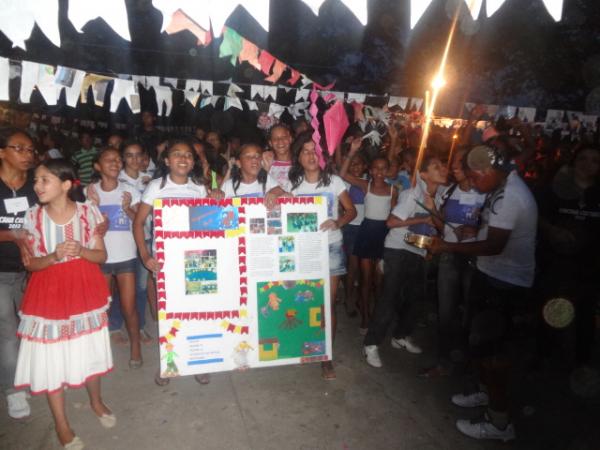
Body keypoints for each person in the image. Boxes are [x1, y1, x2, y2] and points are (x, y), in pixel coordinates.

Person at [428, 142, 538, 442]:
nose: (473, 182)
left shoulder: (510, 196)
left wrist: (449, 245)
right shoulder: (500, 188)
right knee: (483, 347)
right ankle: (484, 393)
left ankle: (499, 423)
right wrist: (474, 232)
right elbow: (491, 235)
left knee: (495, 356)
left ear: (489, 170)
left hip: (504, 285)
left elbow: (495, 245)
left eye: (476, 176)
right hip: (490, 276)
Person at [14, 159, 113, 449]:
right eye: (36, 180)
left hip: (84, 289)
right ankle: (61, 423)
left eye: (44, 180)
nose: (37, 186)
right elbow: (32, 265)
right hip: (49, 293)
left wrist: (81, 250)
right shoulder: (33, 217)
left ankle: (96, 401)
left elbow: (101, 256)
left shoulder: (87, 213)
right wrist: (55, 256)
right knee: (52, 358)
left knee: (89, 348)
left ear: (66, 184)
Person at [133, 137, 208, 386]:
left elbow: (210, 220)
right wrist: (145, 255)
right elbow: (139, 222)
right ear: (166, 160)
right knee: (171, 316)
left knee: (196, 313)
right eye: (177, 154)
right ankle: (169, 364)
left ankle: (197, 361)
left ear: (193, 161)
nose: (183, 158)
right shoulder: (156, 186)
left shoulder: (199, 187)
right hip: (166, 262)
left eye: (188, 155)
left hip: (197, 260)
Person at [363, 153, 448, 368]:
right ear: (424, 175)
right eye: (436, 166)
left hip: (419, 251)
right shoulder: (412, 195)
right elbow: (391, 222)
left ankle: (400, 336)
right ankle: (371, 344)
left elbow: (442, 227)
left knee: (415, 298)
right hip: (398, 249)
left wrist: (434, 210)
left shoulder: (440, 196)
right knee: (389, 298)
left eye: (442, 165)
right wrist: (423, 217)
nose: (443, 169)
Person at [289, 132, 357, 380]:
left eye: (314, 150)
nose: (310, 155)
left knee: (327, 304)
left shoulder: (335, 182)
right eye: (305, 151)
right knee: (304, 302)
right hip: (303, 250)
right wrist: (276, 193)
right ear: (298, 156)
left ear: (322, 156)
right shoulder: (292, 185)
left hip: (330, 248)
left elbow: (351, 211)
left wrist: (337, 222)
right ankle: (306, 348)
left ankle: (326, 356)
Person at [420, 147, 486, 378]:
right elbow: (441, 226)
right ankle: (443, 361)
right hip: (448, 256)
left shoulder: (485, 193)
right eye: (454, 162)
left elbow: (497, 230)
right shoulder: (448, 192)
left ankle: (470, 368)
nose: (454, 167)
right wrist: (435, 214)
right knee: (445, 312)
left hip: (475, 260)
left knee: (472, 315)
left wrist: (477, 228)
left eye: (460, 163)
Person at [536, 147, 600, 369]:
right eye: (582, 158)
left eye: (594, 160)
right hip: (557, 261)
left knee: (585, 312)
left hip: (588, 265)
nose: (587, 164)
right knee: (553, 307)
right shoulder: (557, 189)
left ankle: (581, 361)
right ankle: (544, 353)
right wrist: (552, 230)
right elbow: (540, 215)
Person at [87, 147, 143, 368]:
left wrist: (128, 208)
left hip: (126, 257)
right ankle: (101, 352)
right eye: (108, 160)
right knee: (102, 308)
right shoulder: (89, 191)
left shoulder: (129, 190)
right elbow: (84, 225)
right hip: (100, 259)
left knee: (129, 308)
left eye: (118, 159)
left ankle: (136, 347)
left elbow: (141, 221)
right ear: (97, 166)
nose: (115, 162)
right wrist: (93, 206)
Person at [341, 138, 397, 333]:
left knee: (378, 282)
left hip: (383, 236)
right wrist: (351, 152)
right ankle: (365, 317)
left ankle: (376, 316)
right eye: (376, 169)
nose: (379, 172)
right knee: (365, 279)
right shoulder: (366, 185)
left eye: (384, 169)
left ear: (388, 170)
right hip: (366, 233)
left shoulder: (393, 190)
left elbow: (392, 216)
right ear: (370, 171)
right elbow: (343, 174)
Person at [0, 127, 36, 419]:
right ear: (2, 152)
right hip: (0, 269)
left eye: (30, 150)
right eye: (19, 148)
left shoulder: (36, 185)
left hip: (31, 270)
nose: (27, 155)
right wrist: (12, 235)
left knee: (29, 327)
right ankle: (13, 390)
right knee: (7, 331)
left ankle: (28, 374)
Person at [263, 124, 293, 191]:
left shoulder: (300, 162)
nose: (280, 141)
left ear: (290, 139)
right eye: (275, 138)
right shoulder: (266, 163)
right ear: (270, 143)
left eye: (284, 137)